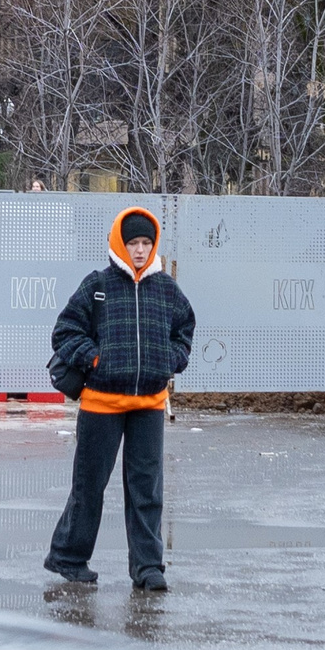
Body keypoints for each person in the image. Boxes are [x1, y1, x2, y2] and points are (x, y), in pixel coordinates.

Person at [44, 206, 194, 592]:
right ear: (119, 244)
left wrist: (169, 360)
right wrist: (97, 359)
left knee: (147, 490)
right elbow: (65, 332)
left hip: (149, 404)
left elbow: (184, 331)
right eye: (133, 243)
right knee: (89, 486)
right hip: (101, 402)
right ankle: (68, 557)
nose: (140, 250)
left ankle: (148, 567)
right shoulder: (97, 285)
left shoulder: (167, 289)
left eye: (146, 242)